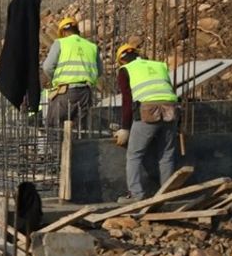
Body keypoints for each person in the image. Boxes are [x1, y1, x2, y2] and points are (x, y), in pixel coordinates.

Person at [114, 43, 179, 201]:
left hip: (148, 112)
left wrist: (125, 128)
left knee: (134, 155)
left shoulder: (126, 70)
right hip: (171, 111)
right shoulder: (159, 66)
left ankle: (136, 195)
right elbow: (169, 90)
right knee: (166, 155)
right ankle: (166, 195)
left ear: (121, 61)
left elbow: (127, 101)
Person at [41, 16, 100, 128]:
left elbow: (47, 67)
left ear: (63, 32)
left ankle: (57, 145)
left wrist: (57, 79)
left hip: (65, 93)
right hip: (85, 94)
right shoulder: (92, 46)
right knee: (80, 132)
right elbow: (99, 71)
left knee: (55, 129)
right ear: (77, 30)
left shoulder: (60, 43)